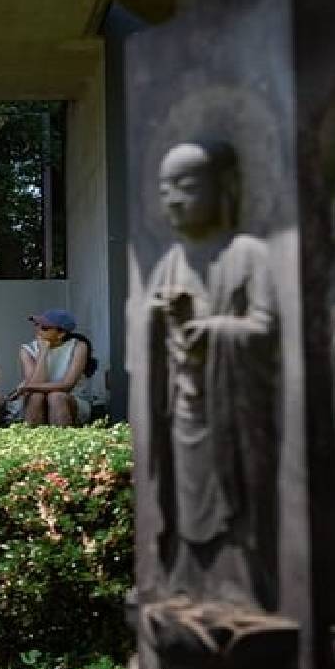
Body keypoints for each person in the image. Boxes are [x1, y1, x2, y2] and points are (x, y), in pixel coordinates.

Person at [136, 141, 278, 610]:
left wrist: (212, 330)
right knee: (182, 498)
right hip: (183, 404)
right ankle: (187, 581)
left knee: (234, 499)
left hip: (233, 409)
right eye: (165, 189)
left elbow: (267, 326)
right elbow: (148, 331)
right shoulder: (169, 263)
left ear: (225, 189)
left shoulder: (248, 254)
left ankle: (242, 589)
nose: (174, 198)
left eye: (188, 186)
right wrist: (158, 317)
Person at [4, 308, 96, 426]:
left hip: (70, 399)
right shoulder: (27, 349)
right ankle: (33, 441)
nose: (38, 331)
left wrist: (26, 388)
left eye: (44, 328)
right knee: (36, 396)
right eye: (37, 325)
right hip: (35, 400)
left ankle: (61, 440)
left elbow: (67, 385)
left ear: (61, 334)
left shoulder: (78, 346)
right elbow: (35, 385)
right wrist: (43, 353)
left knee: (56, 396)